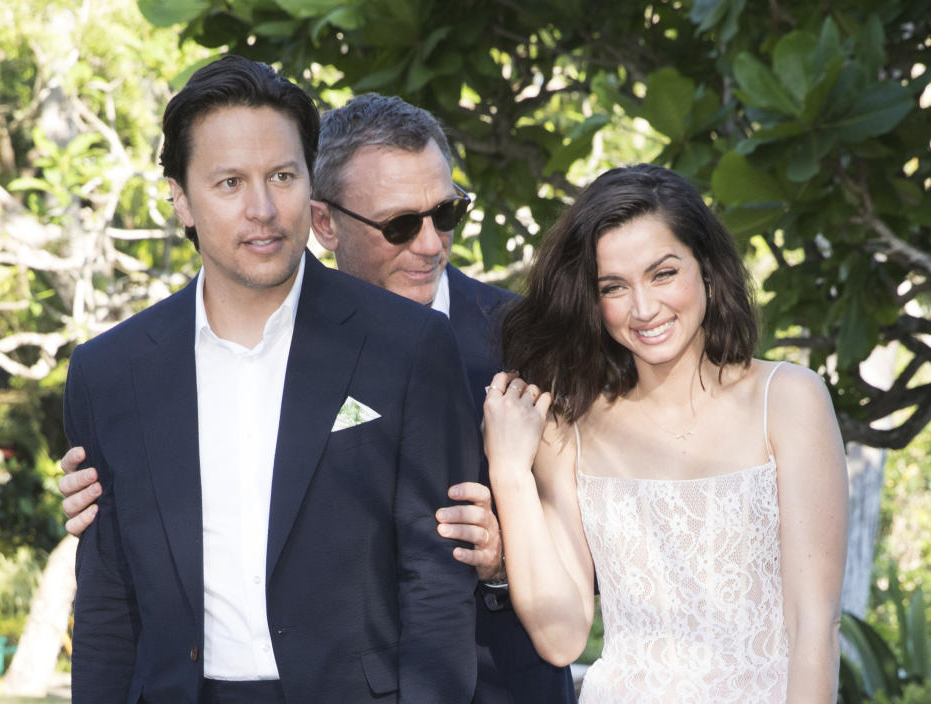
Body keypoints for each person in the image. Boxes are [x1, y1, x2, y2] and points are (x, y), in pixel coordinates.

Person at [61, 91, 575, 704]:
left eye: (446, 213)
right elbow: (111, 597)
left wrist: (501, 554)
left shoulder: (493, 340)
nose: (432, 243)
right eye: (400, 224)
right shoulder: (115, 369)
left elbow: (575, 542)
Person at [482, 164, 849, 703]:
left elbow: (815, 625)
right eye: (615, 287)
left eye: (663, 273)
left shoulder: (789, 398)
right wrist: (509, 470)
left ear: (706, 267)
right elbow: (561, 638)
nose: (645, 308)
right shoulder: (570, 426)